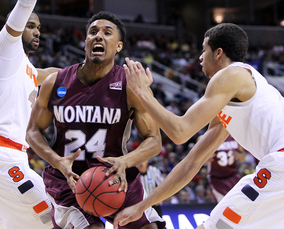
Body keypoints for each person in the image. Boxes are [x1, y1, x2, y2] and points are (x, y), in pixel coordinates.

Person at [114, 23, 284, 229]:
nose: (201, 57)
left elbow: (180, 132)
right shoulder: (233, 100)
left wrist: (142, 92)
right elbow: (192, 163)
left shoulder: (230, 75)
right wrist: (143, 205)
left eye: (205, 50)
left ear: (218, 53)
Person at [26, 11, 166, 229]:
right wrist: (57, 161)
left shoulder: (131, 86)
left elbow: (154, 140)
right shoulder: (56, 82)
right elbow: (32, 131)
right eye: (93, 32)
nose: (98, 36)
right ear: (85, 43)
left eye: (107, 33)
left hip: (114, 176)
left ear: (118, 46)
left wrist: (125, 161)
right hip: (67, 181)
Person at [0, 0, 60, 228]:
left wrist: (88, 73)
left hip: (6, 157)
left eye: (39, 27)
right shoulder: (6, 49)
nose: (37, 31)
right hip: (3, 157)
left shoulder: (27, 68)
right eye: (30, 25)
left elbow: (51, 74)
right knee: (52, 217)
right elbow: (23, 6)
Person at [203, 134, 243, 202]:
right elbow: (204, 161)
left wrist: (238, 155)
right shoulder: (210, 137)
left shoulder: (235, 136)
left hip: (233, 176)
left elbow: (243, 158)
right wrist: (205, 158)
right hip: (217, 179)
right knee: (225, 204)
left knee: (238, 203)